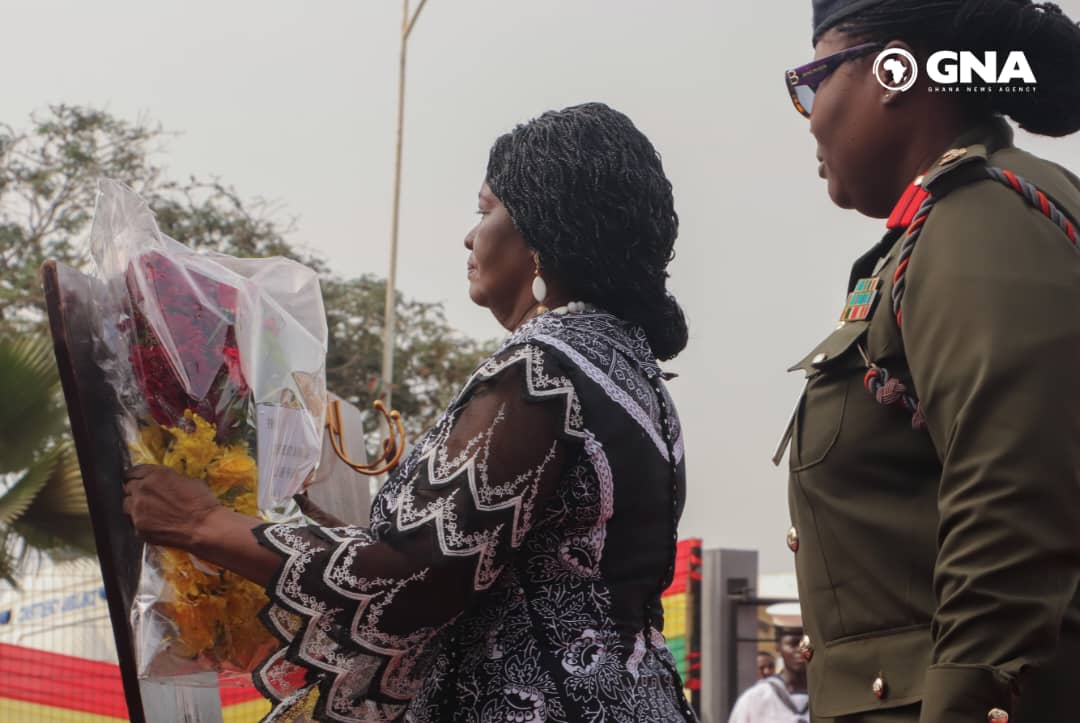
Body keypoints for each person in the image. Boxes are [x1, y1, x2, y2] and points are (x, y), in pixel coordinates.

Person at [122, 102, 696, 722]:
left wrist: (203, 524)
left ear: (543, 233)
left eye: (486, 211)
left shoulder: (542, 369)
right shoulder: (627, 371)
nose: (470, 236)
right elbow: (478, 562)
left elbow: (412, 574)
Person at [777, 1, 1080, 720]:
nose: (810, 118)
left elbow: (1011, 506)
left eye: (812, 82)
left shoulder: (984, 219)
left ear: (893, 71)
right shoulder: (942, 228)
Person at [730, 603, 810, 723]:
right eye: (793, 644)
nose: (800, 650)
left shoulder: (830, 698)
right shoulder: (754, 700)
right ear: (777, 647)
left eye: (806, 644)